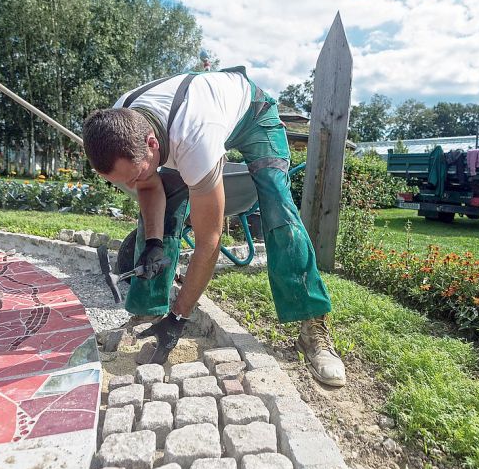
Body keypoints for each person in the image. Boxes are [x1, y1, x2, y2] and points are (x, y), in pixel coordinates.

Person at [81, 67, 346, 387]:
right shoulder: (123, 118)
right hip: (183, 131)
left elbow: (209, 241)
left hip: (254, 115)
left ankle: (312, 328)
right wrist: (152, 242)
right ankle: (147, 312)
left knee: (278, 208)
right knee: (158, 218)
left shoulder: (196, 136)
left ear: (151, 144)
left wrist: (178, 318)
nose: (132, 186)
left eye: (134, 176)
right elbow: (149, 186)